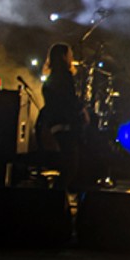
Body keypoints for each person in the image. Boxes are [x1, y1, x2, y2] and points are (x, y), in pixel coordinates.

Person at [35, 43, 88, 189]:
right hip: (65, 125)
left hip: (54, 124)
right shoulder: (65, 77)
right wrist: (82, 111)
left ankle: (56, 199)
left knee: (65, 166)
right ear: (64, 57)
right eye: (70, 55)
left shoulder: (51, 78)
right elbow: (69, 100)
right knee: (70, 166)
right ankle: (57, 200)